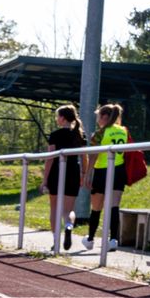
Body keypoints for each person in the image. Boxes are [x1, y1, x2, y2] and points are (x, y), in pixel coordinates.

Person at [82, 103, 132, 251]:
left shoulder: (99, 133)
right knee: (114, 206)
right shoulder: (123, 130)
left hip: (102, 171)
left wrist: (87, 174)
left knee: (96, 207)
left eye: (99, 116)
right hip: (119, 170)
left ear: (104, 117)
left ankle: (90, 239)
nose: (98, 119)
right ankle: (113, 239)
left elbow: (93, 156)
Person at [44, 105, 85, 251]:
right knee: (69, 210)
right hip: (73, 171)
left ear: (62, 118)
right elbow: (84, 156)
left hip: (56, 171)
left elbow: (50, 158)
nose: (56, 119)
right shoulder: (79, 134)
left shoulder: (55, 135)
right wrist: (84, 173)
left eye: (57, 116)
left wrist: (45, 179)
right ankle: (68, 226)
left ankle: (56, 241)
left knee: (54, 208)